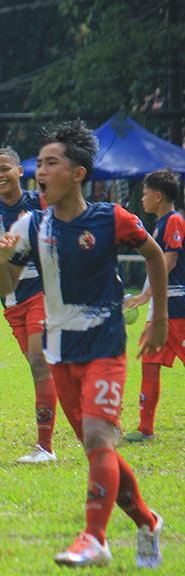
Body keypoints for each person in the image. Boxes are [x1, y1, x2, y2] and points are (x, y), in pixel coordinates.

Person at [0, 120, 165, 569]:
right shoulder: (34, 225)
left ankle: (94, 538)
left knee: (96, 437)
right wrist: (2, 259)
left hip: (105, 347)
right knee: (98, 448)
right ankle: (147, 521)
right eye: (39, 164)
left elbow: (154, 256)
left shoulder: (112, 219)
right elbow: (2, 285)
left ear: (78, 173)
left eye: (51, 163)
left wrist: (159, 317)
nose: (39, 172)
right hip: (60, 351)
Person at [0, 147, 57, 464]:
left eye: (5, 168)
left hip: (43, 294)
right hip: (10, 301)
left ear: (20, 171)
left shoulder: (40, 203)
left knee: (39, 363)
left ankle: (44, 447)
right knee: (42, 367)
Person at [123, 168, 185, 442]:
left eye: (146, 194)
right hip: (164, 307)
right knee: (149, 363)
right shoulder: (161, 223)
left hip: (177, 308)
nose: (143, 199)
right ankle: (146, 428)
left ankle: (146, 427)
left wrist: (146, 294)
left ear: (158, 196)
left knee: (150, 363)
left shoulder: (174, 221)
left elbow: (168, 262)